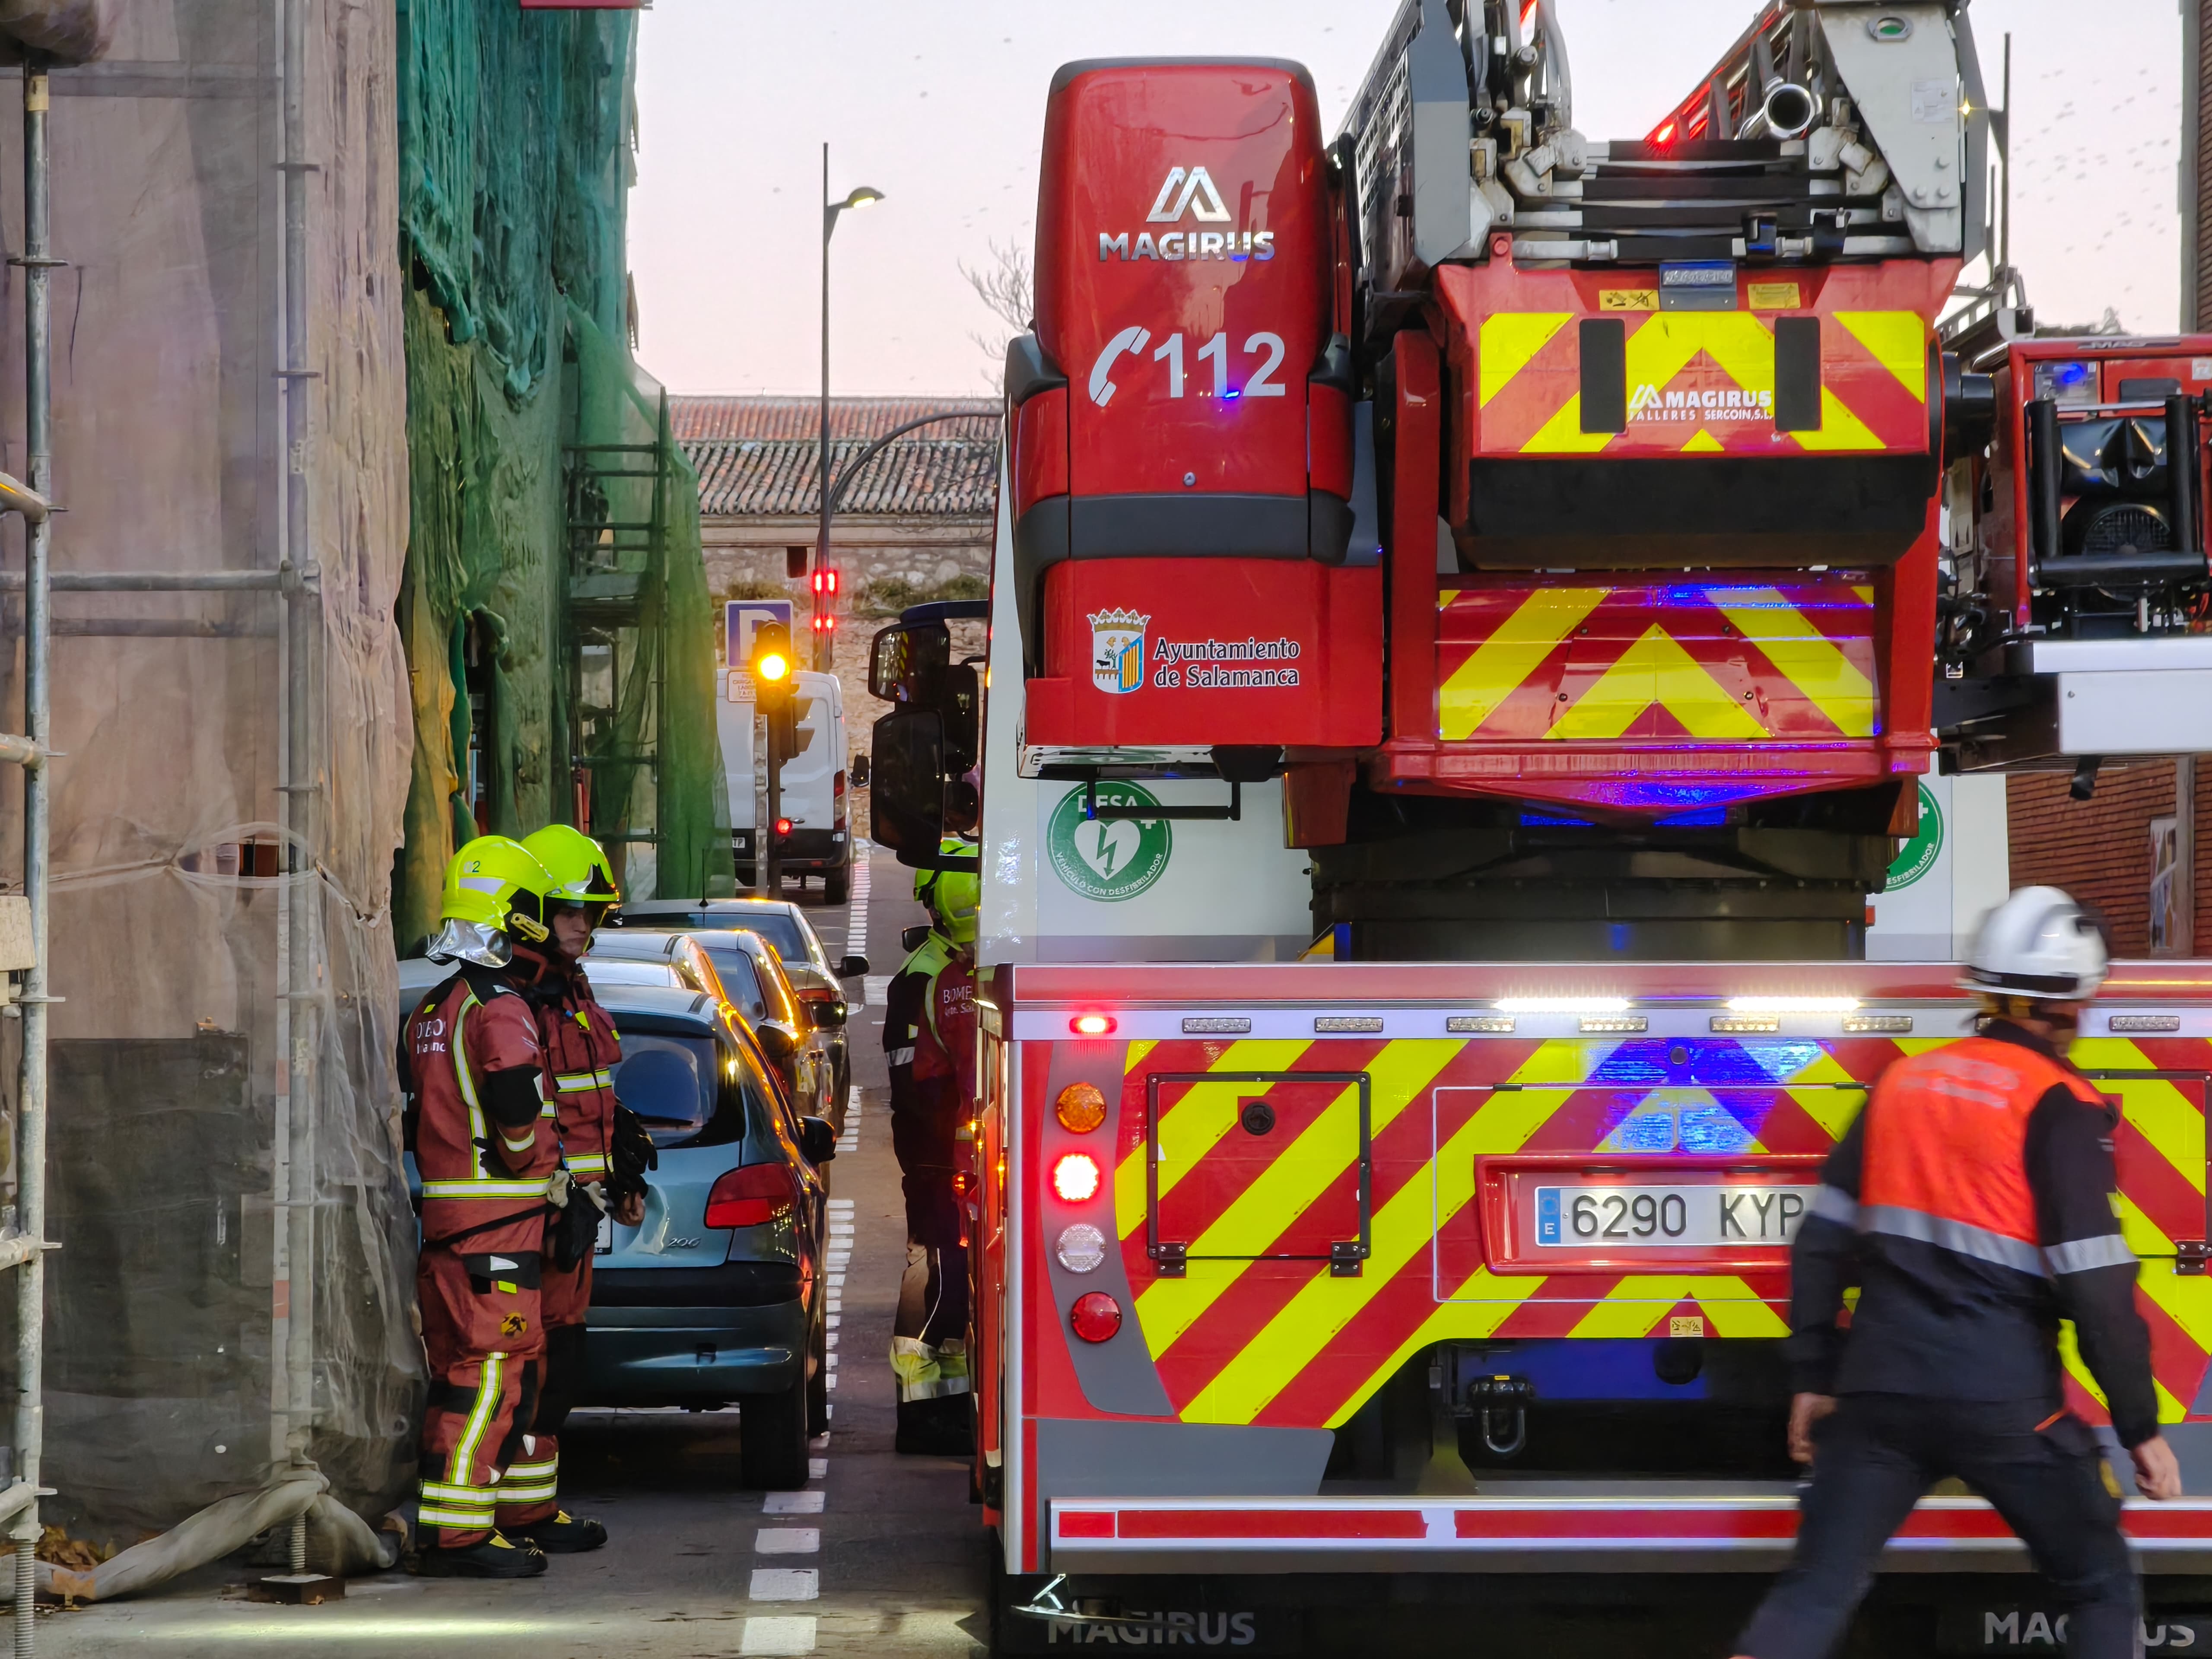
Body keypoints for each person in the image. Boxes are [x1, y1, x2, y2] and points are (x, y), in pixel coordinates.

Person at [1732, 886, 2180, 1659]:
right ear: (2073, 1000)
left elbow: (1822, 1242)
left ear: (1986, 989)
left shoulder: (1902, 1084)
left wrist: (1813, 1375)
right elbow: (2095, 1284)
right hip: (2004, 1405)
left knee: (1816, 1588)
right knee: (2100, 1583)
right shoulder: (2060, 1102)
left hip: (1876, 1397)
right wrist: (2138, 1426)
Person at [401, 836, 564, 1579]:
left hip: (448, 1226)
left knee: (462, 1375)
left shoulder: (435, 1006)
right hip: (496, 1225)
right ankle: (460, 1537)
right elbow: (515, 1111)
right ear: (512, 916)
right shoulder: (500, 1009)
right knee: (491, 1375)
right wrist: (547, 1173)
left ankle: (465, 1521)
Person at [491, 823, 653, 1553]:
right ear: (531, 913)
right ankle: (503, 1516)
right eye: (568, 913)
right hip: (536, 1223)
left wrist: (622, 1159)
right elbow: (521, 1119)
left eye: (591, 914)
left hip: (576, 1220)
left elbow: (587, 1097)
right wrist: (558, 1199)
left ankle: (533, 1510)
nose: (582, 927)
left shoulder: (572, 993)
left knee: (560, 1370)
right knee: (526, 1372)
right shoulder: (515, 1006)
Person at [884, 840, 980, 1455]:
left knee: (955, 1282)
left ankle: (947, 1403)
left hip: (961, 1158)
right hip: (943, 1161)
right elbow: (910, 1089)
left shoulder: (968, 969)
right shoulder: (925, 977)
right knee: (944, 1286)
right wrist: (932, 1170)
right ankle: (925, 1417)